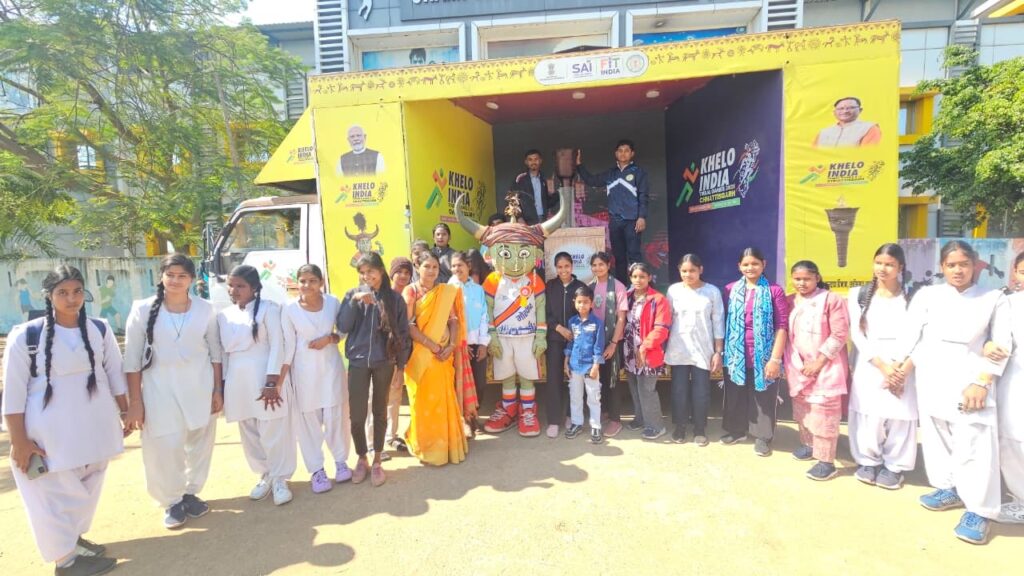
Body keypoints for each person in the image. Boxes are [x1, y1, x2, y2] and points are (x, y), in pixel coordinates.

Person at [3, 265, 127, 576]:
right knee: (52, 492)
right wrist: (19, 440)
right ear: (49, 296)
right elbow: (13, 392)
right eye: (63, 293)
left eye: (77, 292)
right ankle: (66, 561)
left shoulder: (99, 329)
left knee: (89, 484)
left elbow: (115, 374)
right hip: (48, 433)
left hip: (96, 426)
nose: (71, 299)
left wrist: (127, 411)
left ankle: (73, 540)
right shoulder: (27, 336)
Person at [901, 240, 1011, 545]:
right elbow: (914, 336)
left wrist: (982, 381)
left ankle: (979, 510)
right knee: (937, 437)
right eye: (951, 265)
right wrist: (901, 366)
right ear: (942, 267)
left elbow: (1002, 343)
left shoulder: (993, 298)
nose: (958, 270)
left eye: (964, 264)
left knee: (976, 445)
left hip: (970, 382)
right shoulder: (928, 295)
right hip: (932, 377)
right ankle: (949, 488)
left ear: (975, 265)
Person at [123, 254, 222, 530]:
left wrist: (217, 389)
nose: (176, 281)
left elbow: (216, 352)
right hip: (159, 389)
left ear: (192, 279)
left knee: (200, 442)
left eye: (182, 276)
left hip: (200, 386)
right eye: (170, 275)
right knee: (164, 445)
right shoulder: (142, 309)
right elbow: (132, 359)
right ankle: (171, 500)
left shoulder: (205, 309)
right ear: (161, 277)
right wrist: (135, 402)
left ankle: (190, 492)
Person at [219, 265, 294, 506]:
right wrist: (222, 387)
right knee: (249, 431)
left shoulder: (269, 309)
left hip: (264, 377)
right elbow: (224, 354)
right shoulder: (224, 315)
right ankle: (265, 475)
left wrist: (272, 382)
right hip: (237, 381)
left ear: (254, 287)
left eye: (240, 286)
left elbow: (277, 345)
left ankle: (280, 478)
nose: (234, 290)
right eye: (231, 285)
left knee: (273, 430)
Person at [847, 243, 918, 490]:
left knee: (899, 415)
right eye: (879, 262)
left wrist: (899, 368)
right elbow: (857, 335)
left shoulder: (914, 296)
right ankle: (868, 461)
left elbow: (919, 334)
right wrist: (882, 367)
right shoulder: (858, 294)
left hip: (904, 365)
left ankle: (895, 466)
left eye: (889, 264)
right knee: (868, 413)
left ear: (900, 267)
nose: (883, 268)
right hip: (871, 363)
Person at [338, 253, 411, 487]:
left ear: (381, 271)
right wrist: (355, 301)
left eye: (371, 271)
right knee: (357, 415)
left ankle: (377, 459)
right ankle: (362, 457)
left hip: (384, 362)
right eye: (362, 272)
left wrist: (401, 367)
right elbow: (343, 326)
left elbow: (403, 335)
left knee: (380, 412)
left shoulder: (395, 299)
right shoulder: (352, 295)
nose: (366, 276)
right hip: (358, 362)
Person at [280, 264, 352, 494]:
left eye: (312, 280)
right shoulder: (289, 309)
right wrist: (280, 378)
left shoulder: (332, 302)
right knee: (308, 421)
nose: (307, 285)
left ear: (321, 282)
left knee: (336, 416)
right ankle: (317, 470)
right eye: (302, 281)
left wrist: (329, 339)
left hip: (331, 368)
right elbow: (288, 345)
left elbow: (343, 330)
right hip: (304, 372)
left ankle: (341, 461)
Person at [403, 251, 472, 465]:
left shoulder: (444, 292)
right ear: (417, 267)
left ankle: (448, 445)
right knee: (423, 402)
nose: (431, 271)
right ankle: (427, 446)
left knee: (444, 399)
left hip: (444, 354)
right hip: (421, 354)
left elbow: (453, 320)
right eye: (427, 266)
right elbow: (408, 325)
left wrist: (451, 346)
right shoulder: (411, 291)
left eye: (434, 267)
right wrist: (432, 346)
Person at [785, 261, 850, 481]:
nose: (801, 283)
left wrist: (819, 362)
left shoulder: (831, 300)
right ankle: (809, 445)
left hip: (826, 366)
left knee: (825, 414)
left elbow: (839, 334)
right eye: (797, 279)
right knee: (803, 409)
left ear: (817, 278)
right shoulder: (790, 301)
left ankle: (826, 462)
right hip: (799, 366)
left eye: (807, 279)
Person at [721, 247, 790, 457]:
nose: (750, 268)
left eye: (755, 264)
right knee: (735, 393)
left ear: (763, 265)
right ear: (739, 266)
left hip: (764, 355)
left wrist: (775, 359)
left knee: (763, 396)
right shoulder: (730, 289)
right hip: (736, 354)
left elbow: (782, 326)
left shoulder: (774, 291)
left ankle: (763, 437)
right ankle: (737, 431)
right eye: (746, 264)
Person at [665, 254, 724, 447]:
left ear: (701, 270)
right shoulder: (673, 291)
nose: (688, 274)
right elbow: (667, 320)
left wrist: (718, 352)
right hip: (678, 348)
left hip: (703, 349)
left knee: (701, 391)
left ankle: (699, 429)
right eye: (684, 271)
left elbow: (718, 322)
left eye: (692, 270)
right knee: (679, 390)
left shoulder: (712, 292)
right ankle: (680, 427)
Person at [984, 251, 1024, 523]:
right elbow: (990, 336)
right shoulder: (1007, 303)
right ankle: (1021, 500)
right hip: (1015, 379)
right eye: (1023, 271)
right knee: (1012, 438)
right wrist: (988, 345)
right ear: (1015, 273)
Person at [576, 140, 649, 281]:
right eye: (620, 151)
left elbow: (643, 196)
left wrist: (642, 217)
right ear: (616, 153)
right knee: (619, 257)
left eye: (626, 151)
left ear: (632, 153)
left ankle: (639, 287)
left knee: (634, 255)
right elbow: (592, 180)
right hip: (615, 221)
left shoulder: (639, 173)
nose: (623, 153)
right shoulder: (610, 174)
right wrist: (579, 165)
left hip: (632, 221)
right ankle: (622, 286)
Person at [623, 262, 671, 441]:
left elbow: (661, 329)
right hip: (630, 352)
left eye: (642, 277)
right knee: (635, 388)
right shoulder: (627, 297)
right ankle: (640, 419)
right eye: (634, 276)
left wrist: (644, 347)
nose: (638, 280)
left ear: (649, 277)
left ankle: (656, 426)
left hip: (649, 353)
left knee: (646, 390)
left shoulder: (658, 300)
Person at [544, 252, 586, 438]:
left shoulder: (580, 287)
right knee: (553, 379)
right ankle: (554, 421)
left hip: (575, 341)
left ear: (572, 267)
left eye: (566, 266)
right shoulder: (550, 286)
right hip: (554, 339)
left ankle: (571, 415)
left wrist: (574, 332)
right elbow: (544, 312)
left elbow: (584, 313)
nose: (563, 270)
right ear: (555, 268)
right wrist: (559, 328)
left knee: (574, 379)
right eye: (559, 267)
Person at [449, 251, 489, 430]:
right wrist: (461, 343)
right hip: (459, 345)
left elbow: (484, 317)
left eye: (460, 265)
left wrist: (483, 344)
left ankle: (473, 416)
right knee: (460, 384)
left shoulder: (478, 289)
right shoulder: (448, 289)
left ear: (469, 266)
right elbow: (450, 320)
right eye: (453, 266)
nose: (456, 269)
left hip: (477, 344)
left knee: (479, 383)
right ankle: (463, 421)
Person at [589, 252, 628, 438]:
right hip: (596, 341)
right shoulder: (590, 287)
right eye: (594, 265)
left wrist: (613, 343)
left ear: (608, 265)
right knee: (600, 379)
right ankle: (604, 412)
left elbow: (621, 318)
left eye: (601, 264)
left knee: (612, 380)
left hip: (612, 339)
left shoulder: (618, 286)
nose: (598, 268)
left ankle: (615, 420)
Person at [563, 285, 605, 444]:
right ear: (575, 302)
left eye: (586, 302)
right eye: (579, 302)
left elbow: (598, 346)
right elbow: (570, 343)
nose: (582, 305)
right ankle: (577, 423)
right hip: (574, 366)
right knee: (575, 396)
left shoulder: (597, 323)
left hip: (590, 367)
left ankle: (596, 426)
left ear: (591, 303)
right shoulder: (572, 322)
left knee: (593, 397)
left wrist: (595, 366)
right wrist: (566, 361)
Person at [508, 149, 557, 225]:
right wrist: (519, 218)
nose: (533, 162)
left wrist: (557, 194)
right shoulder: (520, 179)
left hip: (543, 219)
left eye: (536, 159)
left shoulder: (544, 179)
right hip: (526, 221)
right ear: (526, 162)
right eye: (530, 160)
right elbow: (512, 200)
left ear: (540, 161)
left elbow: (548, 202)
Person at [813, 96, 882, 147]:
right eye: (841, 108)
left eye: (851, 108)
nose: (845, 111)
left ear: (860, 110)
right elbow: (814, 153)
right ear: (834, 112)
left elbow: (868, 154)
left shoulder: (869, 128)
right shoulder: (824, 132)